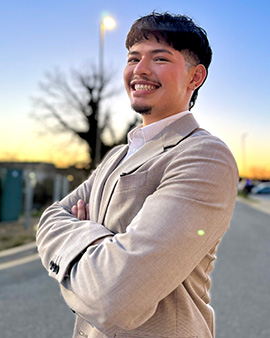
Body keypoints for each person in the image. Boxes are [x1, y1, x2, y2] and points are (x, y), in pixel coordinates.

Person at [36, 12, 239, 338]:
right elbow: (49, 219)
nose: (140, 69)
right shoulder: (116, 155)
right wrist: (101, 252)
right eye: (133, 58)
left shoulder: (204, 156)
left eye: (160, 58)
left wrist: (80, 239)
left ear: (194, 77)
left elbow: (117, 296)